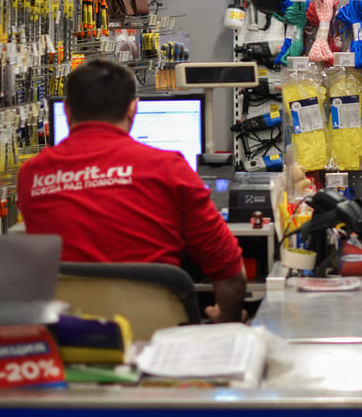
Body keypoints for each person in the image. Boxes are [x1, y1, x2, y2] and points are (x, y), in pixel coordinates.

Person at [17, 59, 247, 323]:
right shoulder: (169, 168)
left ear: (67, 111)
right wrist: (227, 320)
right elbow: (231, 275)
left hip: (68, 335)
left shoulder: (31, 175)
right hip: (155, 336)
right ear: (133, 109)